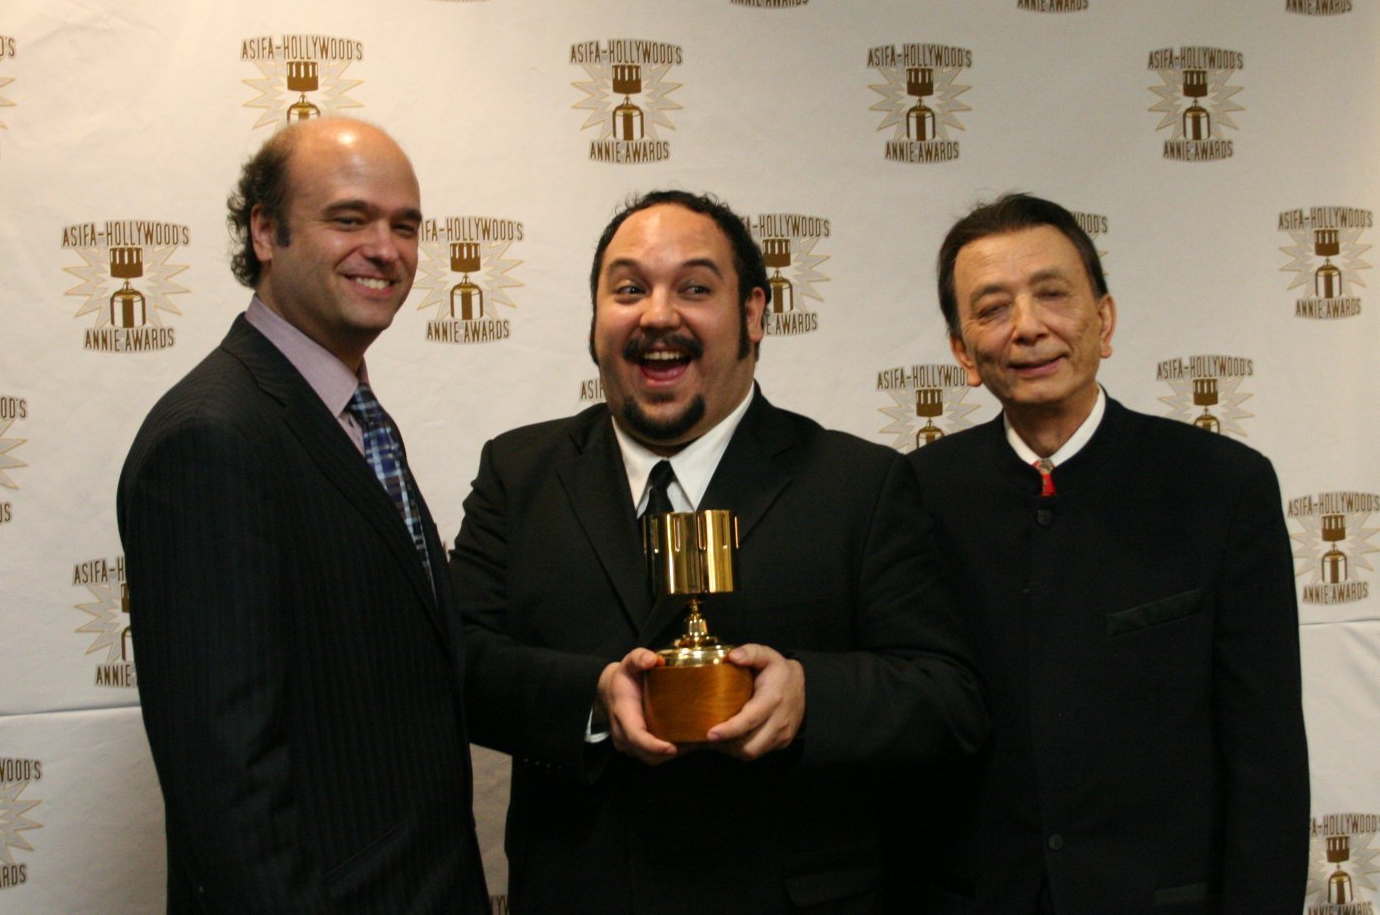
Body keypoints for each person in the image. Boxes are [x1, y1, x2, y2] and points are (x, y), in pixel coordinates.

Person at [450, 190, 986, 914]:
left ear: (755, 314)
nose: (658, 314)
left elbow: (945, 699)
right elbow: (459, 664)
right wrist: (595, 699)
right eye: (629, 288)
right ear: (596, 318)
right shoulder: (520, 473)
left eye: (696, 287)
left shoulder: (859, 484)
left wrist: (806, 696)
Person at [118, 118, 489, 913]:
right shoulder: (212, 439)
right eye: (349, 219)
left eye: (406, 226)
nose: (385, 248)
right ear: (264, 231)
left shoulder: (350, 414)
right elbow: (228, 787)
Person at [909, 193, 1309, 913]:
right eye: (993, 308)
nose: (1028, 328)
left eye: (1053, 295)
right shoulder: (915, 496)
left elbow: (1267, 761)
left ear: (1105, 320)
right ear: (963, 353)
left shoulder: (1222, 486)